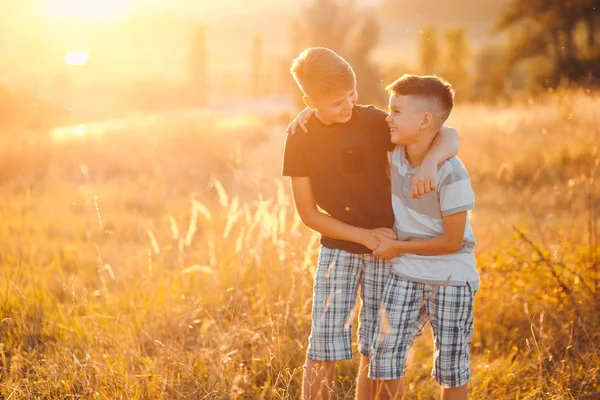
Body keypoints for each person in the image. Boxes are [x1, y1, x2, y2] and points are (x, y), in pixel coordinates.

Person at [282, 47, 460, 400]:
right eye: (335, 103)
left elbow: (449, 133)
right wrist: (361, 236)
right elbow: (308, 214)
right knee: (324, 345)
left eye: (352, 94)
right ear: (309, 101)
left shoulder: (374, 121)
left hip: (388, 247)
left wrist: (430, 163)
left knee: (380, 348)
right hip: (339, 249)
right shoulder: (300, 136)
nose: (347, 105)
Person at [368, 74, 478, 400]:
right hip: (406, 274)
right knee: (384, 357)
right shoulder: (395, 156)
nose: (389, 117)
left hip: (451, 277)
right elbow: (448, 132)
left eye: (397, 111)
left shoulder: (451, 172)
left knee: (451, 367)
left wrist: (397, 246)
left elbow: (452, 242)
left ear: (425, 120)